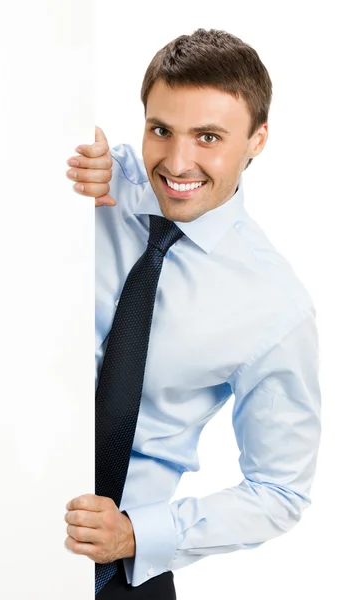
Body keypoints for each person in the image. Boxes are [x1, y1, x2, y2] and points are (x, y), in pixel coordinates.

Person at [64, 28, 321, 599]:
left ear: (258, 140)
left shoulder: (275, 305)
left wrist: (135, 535)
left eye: (208, 137)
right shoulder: (98, 185)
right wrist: (64, 159)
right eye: (161, 130)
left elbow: (280, 491)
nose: (177, 162)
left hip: (122, 570)